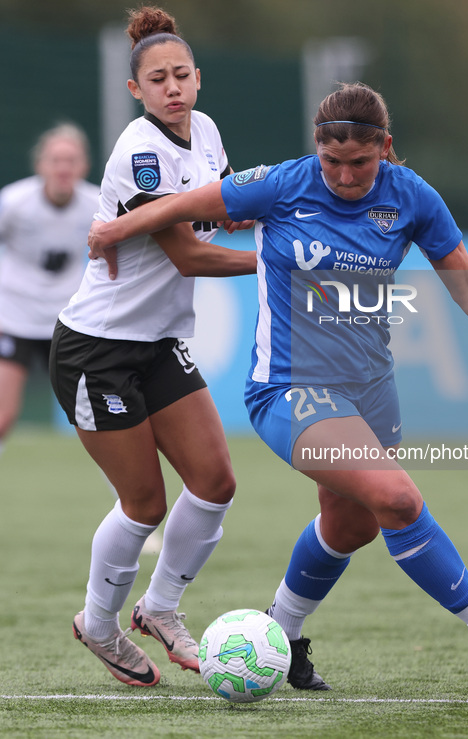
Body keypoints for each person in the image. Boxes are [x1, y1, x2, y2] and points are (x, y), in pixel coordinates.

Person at [88, 82, 468, 691]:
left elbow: (464, 280)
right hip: (289, 388)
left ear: (385, 148)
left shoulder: (411, 196)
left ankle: (280, 631)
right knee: (398, 500)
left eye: (359, 162)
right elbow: (182, 206)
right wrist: (112, 229)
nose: (341, 175)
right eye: (330, 161)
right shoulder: (283, 183)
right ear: (316, 149)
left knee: (352, 525)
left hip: (369, 386)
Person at [50, 6, 255, 688]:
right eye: (157, 79)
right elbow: (190, 254)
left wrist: (274, 210)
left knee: (217, 481)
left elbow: (220, 207)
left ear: (198, 79)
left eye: (181, 75)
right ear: (136, 90)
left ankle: (161, 608)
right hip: (97, 350)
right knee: (144, 503)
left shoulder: (206, 134)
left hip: (161, 341)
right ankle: (99, 624)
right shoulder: (139, 152)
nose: (172, 87)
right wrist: (280, 261)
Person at [0, 124, 99, 455]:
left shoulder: (97, 203)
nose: (63, 168)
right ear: (40, 165)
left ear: (83, 165)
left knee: (92, 417)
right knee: (3, 416)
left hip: (66, 319)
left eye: (71, 160)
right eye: (56, 160)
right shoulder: (13, 202)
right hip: (14, 316)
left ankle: (127, 498)